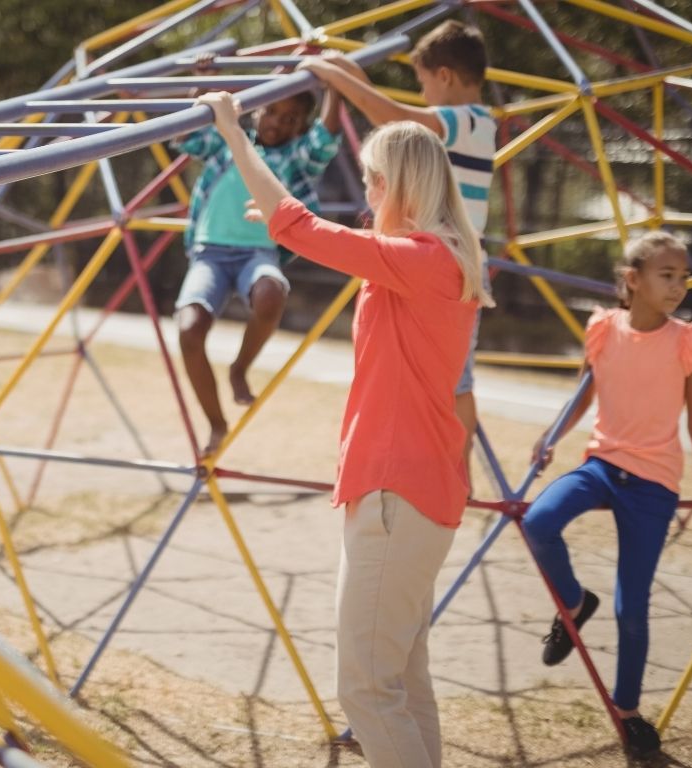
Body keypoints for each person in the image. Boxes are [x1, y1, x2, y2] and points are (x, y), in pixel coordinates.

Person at [196, 89, 490, 767]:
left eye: (370, 183)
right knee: (403, 680)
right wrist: (279, 219)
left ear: (393, 185)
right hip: (414, 491)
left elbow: (297, 225)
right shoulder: (438, 259)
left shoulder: (420, 260)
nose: (366, 195)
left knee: (365, 689)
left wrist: (235, 136)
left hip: (398, 492)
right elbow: (307, 231)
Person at [522, 231, 692, 758]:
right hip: (601, 465)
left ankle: (629, 712)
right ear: (633, 280)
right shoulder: (603, 327)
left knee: (632, 606)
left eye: (684, 277)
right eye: (667, 275)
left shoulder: (687, 339)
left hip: (653, 483)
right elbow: (582, 395)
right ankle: (574, 603)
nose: (679, 286)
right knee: (537, 523)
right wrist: (551, 436)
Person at [301, 20, 495, 484]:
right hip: (430, 262)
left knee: (456, 384)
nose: (423, 92)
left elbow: (392, 119)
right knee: (442, 380)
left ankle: (455, 467)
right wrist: (343, 70)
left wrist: (336, 78)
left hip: (447, 266)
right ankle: (445, 462)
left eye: (424, 82)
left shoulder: (471, 120)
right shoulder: (463, 125)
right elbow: (386, 110)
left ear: (444, 76)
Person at [171, 59, 343, 457]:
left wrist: (334, 82)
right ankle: (216, 423)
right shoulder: (226, 141)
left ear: (301, 126)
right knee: (188, 329)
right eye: (273, 113)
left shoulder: (297, 157)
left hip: (257, 252)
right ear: (256, 111)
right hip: (209, 253)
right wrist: (203, 83)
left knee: (270, 294)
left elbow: (327, 137)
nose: (278, 124)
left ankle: (240, 368)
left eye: (291, 119)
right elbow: (187, 130)